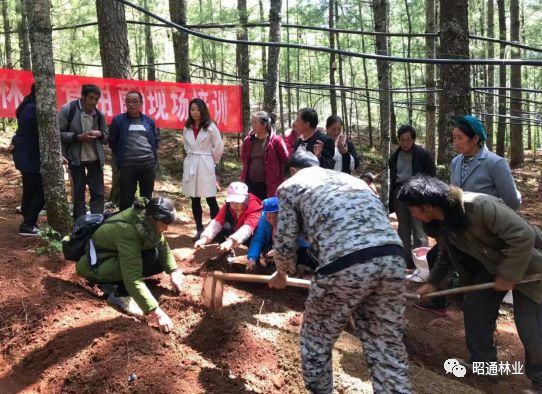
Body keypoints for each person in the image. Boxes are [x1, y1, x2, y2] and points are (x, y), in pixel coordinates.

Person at [269, 149, 411, 394]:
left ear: (292, 171)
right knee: (386, 347)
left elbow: (285, 240)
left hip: (344, 262)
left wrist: (282, 271)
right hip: (393, 259)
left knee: (316, 341)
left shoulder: (292, 185)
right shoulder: (353, 180)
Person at [398, 176, 542, 393]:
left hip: (529, 265)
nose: (412, 215)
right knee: (476, 307)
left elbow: (523, 236)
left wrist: (509, 274)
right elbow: (448, 255)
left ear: (427, 207)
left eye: (412, 209)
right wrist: (434, 282)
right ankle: (483, 365)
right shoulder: (441, 222)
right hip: (492, 265)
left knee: (530, 327)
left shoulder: (479, 207)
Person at [417, 115, 522, 316]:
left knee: (479, 275)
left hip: (485, 231)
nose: (455, 142)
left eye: (460, 138)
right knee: (435, 257)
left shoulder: (495, 163)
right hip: (460, 229)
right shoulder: (456, 162)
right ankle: (440, 302)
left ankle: (483, 315)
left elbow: (513, 201)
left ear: (475, 139)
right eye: (453, 138)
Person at [76, 197, 182, 333]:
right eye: (166, 222)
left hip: (113, 257)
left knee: (155, 258)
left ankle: (117, 283)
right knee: (148, 258)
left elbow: (161, 243)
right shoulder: (129, 230)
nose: (167, 227)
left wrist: (173, 272)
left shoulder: (147, 219)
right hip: (97, 265)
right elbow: (133, 278)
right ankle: (119, 293)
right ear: (154, 218)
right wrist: (157, 313)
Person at [388, 124, 436, 268]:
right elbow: (393, 179)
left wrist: (428, 196)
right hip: (400, 194)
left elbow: (432, 176)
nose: (405, 143)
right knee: (403, 228)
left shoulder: (423, 155)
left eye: (408, 140)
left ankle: (421, 263)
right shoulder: (394, 157)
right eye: (402, 140)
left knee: (419, 228)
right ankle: (406, 260)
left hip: (418, 194)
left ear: (414, 139)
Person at [59, 84, 108, 220]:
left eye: (96, 99)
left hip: (95, 159)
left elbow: (106, 136)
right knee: (78, 193)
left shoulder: (98, 115)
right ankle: (80, 224)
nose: (93, 102)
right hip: (75, 159)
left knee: (98, 192)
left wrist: (99, 134)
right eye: (91, 98)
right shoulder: (68, 110)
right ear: (83, 96)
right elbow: (58, 133)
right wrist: (77, 137)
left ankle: (97, 221)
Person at [181, 98, 224, 241]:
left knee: (210, 197)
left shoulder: (210, 126)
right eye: (192, 109)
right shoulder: (187, 127)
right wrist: (190, 157)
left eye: (198, 109)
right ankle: (199, 228)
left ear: (203, 110)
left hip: (206, 163)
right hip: (192, 162)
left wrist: (212, 161)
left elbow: (218, 146)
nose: (195, 112)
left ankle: (215, 229)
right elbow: (186, 146)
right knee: (195, 198)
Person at [109, 91, 159, 211]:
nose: (131, 104)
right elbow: (113, 142)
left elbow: (155, 141)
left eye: (135, 101)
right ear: (125, 103)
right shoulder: (118, 121)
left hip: (147, 165)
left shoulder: (149, 121)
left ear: (141, 103)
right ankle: (125, 226)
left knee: (146, 198)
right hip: (128, 167)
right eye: (128, 101)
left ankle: (144, 226)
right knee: (126, 199)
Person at [9, 84, 45, 236]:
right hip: (29, 156)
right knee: (39, 191)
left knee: (30, 188)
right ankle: (28, 224)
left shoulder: (28, 105)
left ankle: (27, 215)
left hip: (25, 155)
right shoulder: (33, 110)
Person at [246, 196, 316, 272]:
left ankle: (302, 269)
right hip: (276, 250)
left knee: (305, 254)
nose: (272, 221)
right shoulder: (264, 221)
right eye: (269, 217)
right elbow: (258, 239)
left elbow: (302, 242)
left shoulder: (292, 220)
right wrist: (252, 257)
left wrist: (280, 251)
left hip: (298, 250)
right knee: (267, 252)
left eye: (276, 217)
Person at [194, 182, 262, 253]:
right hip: (236, 229)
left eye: (238, 202)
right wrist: (204, 238)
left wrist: (231, 241)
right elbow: (217, 222)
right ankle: (223, 250)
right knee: (216, 225)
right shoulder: (228, 205)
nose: (234, 205)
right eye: (232, 202)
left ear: (245, 199)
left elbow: (248, 228)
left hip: (252, 235)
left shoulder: (254, 207)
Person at [240, 111, 289, 200]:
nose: (253, 125)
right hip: (250, 183)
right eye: (252, 122)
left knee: (267, 210)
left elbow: (285, 160)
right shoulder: (248, 141)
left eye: (255, 122)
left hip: (269, 184)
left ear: (264, 125)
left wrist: (283, 179)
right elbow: (244, 159)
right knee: (253, 209)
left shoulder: (276, 141)